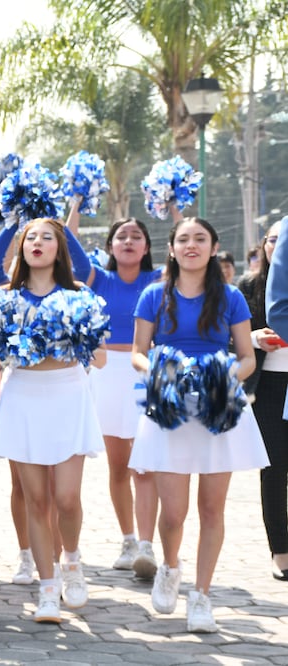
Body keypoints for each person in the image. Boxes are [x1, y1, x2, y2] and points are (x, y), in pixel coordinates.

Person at [130, 217, 268, 633]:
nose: (192, 245)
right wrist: (161, 369)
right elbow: (138, 353)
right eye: (183, 239)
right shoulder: (154, 295)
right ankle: (170, 567)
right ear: (172, 248)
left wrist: (222, 376)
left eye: (200, 239)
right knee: (172, 514)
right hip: (169, 408)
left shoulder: (229, 297)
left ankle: (202, 596)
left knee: (212, 508)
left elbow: (246, 357)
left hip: (217, 409)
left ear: (213, 247)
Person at [0, 217, 108, 624]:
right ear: (21, 248)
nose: (38, 242)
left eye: (47, 237)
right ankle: (47, 589)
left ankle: (71, 560)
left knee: (66, 498)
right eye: (30, 237)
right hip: (24, 397)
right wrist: (0, 341)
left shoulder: (80, 295)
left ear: (60, 248)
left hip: (68, 395)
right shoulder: (4, 298)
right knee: (36, 500)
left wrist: (75, 339)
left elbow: (99, 357)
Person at [70, 216, 163, 579]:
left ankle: (147, 544)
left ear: (147, 247)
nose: (128, 241)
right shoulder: (96, 278)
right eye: (120, 235)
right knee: (119, 466)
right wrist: (76, 201)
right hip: (106, 373)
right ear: (109, 246)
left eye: (136, 236)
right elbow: (68, 241)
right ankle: (127, 540)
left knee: (145, 465)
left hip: (145, 370)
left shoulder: (157, 281)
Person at [241, 218, 288, 582]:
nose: (275, 244)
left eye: (280, 239)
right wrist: (255, 338)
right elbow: (228, 338)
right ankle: (281, 551)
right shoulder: (249, 287)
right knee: (274, 471)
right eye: (271, 239)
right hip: (269, 387)